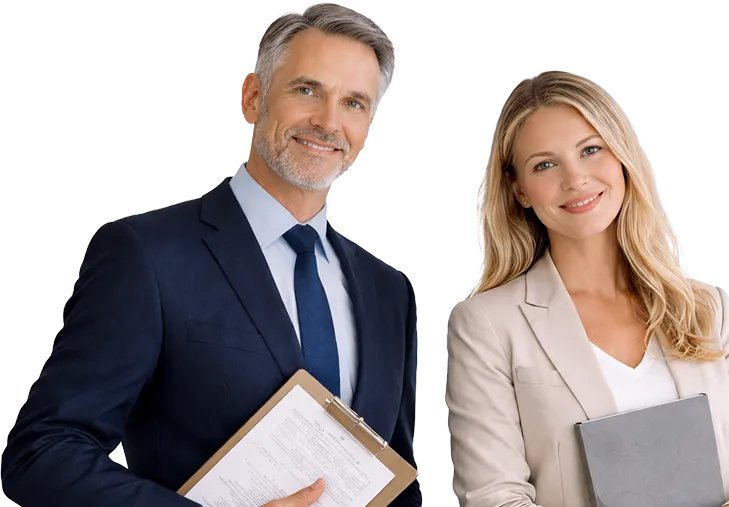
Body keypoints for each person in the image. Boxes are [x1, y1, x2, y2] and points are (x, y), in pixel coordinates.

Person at [1, 3, 421, 506]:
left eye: (354, 103)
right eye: (307, 90)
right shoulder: (147, 255)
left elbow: (393, 479)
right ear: (252, 98)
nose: (329, 122)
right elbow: (42, 453)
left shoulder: (388, 291)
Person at [445, 70, 729, 507]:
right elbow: (493, 498)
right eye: (545, 164)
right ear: (519, 190)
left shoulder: (704, 309)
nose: (575, 179)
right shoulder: (488, 325)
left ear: (622, 157)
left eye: (591, 150)